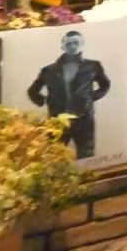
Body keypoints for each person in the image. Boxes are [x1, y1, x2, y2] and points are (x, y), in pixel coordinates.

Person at [26, 29, 110, 159]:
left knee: (86, 155)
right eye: (69, 43)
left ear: (82, 43)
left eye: (76, 43)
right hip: (57, 121)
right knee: (54, 156)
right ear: (63, 46)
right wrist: (45, 101)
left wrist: (90, 97)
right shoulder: (48, 71)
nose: (72, 46)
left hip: (84, 119)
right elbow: (32, 91)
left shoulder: (93, 66)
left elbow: (105, 86)